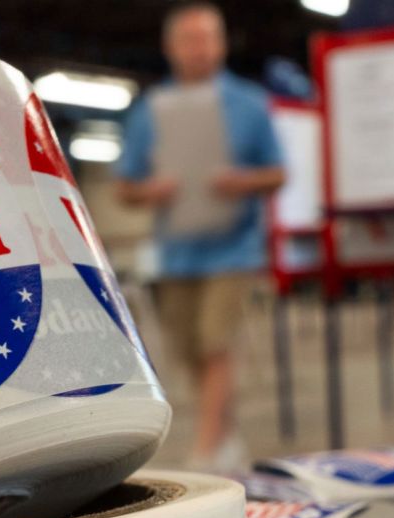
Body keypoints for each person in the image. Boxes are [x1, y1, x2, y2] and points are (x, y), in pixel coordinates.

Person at [116, 1, 286, 471]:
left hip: (234, 247)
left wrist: (241, 182)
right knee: (189, 350)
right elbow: (126, 185)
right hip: (176, 253)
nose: (199, 49)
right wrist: (152, 190)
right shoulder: (151, 111)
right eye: (189, 40)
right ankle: (225, 436)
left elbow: (277, 174)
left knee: (216, 343)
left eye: (208, 38)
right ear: (172, 48)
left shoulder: (251, 105)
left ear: (222, 43)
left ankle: (208, 450)